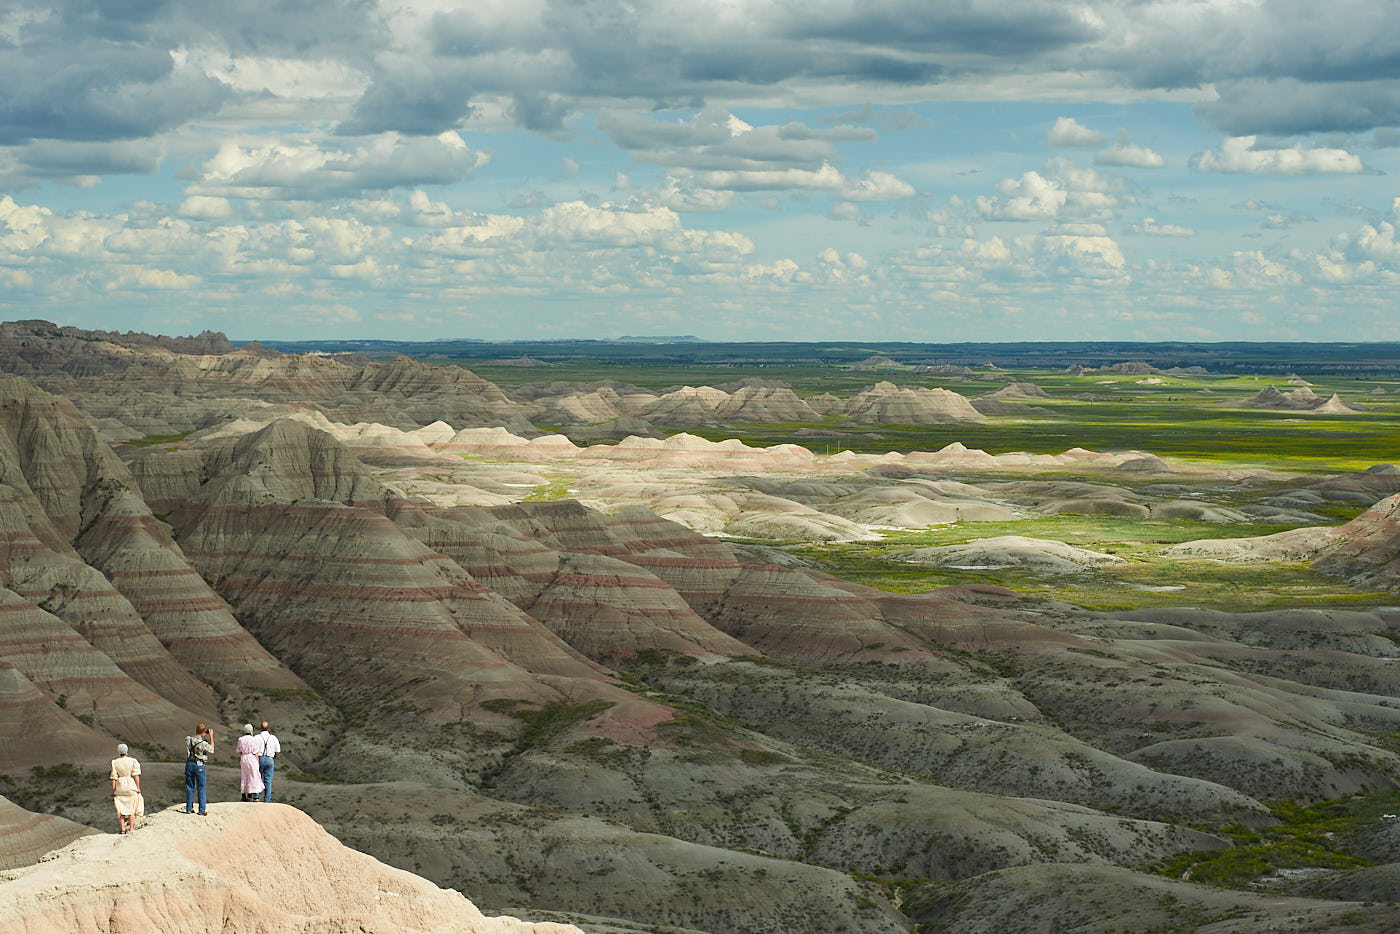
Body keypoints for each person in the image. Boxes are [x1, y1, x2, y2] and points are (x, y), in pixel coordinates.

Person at [109, 743, 143, 834]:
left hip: (120, 786)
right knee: (131, 808)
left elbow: (113, 778)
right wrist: (138, 787)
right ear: (127, 751)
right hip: (130, 785)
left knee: (121, 809)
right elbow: (136, 775)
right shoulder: (132, 761)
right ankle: (131, 829)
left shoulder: (115, 762)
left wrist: (114, 790)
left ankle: (123, 829)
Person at [184, 723, 214, 815]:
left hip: (189, 764)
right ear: (204, 732)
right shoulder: (203, 743)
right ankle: (201, 810)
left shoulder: (188, 739)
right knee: (201, 787)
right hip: (199, 765)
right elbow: (212, 749)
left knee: (190, 787)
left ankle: (189, 808)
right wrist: (211, 736)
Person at [236, 723, 264, 801]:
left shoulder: (240, 739)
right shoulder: (253, 739)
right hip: (251, 757)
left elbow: (239, 751)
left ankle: (243, 795)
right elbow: (256, 752)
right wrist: (257, 762)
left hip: (244, 758)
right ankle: (250, 794)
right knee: (252, 776)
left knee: (244, 775)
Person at [256, 720, 281, 802]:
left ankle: (256, 797)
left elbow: (253, 749)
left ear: (260, 728)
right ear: (268, 728)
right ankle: (267, 799)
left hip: (259, 758)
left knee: (258, 778)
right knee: (268, 780)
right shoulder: (273, 738)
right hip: (270, 758)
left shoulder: (256, 737)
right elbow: (278, 750)